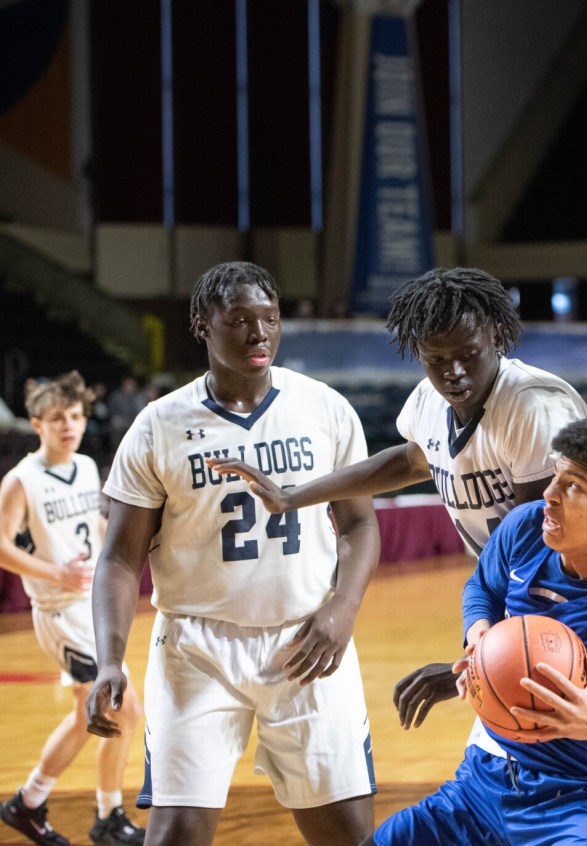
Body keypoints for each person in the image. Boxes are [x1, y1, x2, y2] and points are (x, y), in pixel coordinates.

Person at [206, 268, 587, 846]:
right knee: (528, 793)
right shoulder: (431, 400)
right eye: (436, 360)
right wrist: (295, 495)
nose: (454, 373)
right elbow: (410, 460)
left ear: (497, 334)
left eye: (467, 354)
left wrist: (463, 671)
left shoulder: (532, 408)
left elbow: (541, 558)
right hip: (530, 625)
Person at [84, 261, 380, 846]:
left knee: (347, 835)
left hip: (307, 643)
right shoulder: (157, 426)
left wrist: (342, 610)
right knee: (173, 837)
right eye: (240, 320)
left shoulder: (324, 408)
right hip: (197, 649)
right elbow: (120, 558)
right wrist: (109, 660)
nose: (259, 333)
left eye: (269, 319)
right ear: (202, 323)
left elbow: (360, 525)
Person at [363, 415, 587, 845]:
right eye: (555, 476)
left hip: (573, 801)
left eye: (573, 486)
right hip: (478, 780)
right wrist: (478, 631)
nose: (550, 496)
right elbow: (482, 585)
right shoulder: (525, 528)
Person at [0, 371, 145, 846]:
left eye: (77, 416)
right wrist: (54, 574)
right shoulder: (20, 479)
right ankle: (98, 814)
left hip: (90, 604)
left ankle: (35, 803)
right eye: (59, 418)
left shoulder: (85, 465)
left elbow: (96, 530)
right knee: (117, 708)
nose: (70, 425)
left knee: (110, 712)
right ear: (37, 424)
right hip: (58, 609)